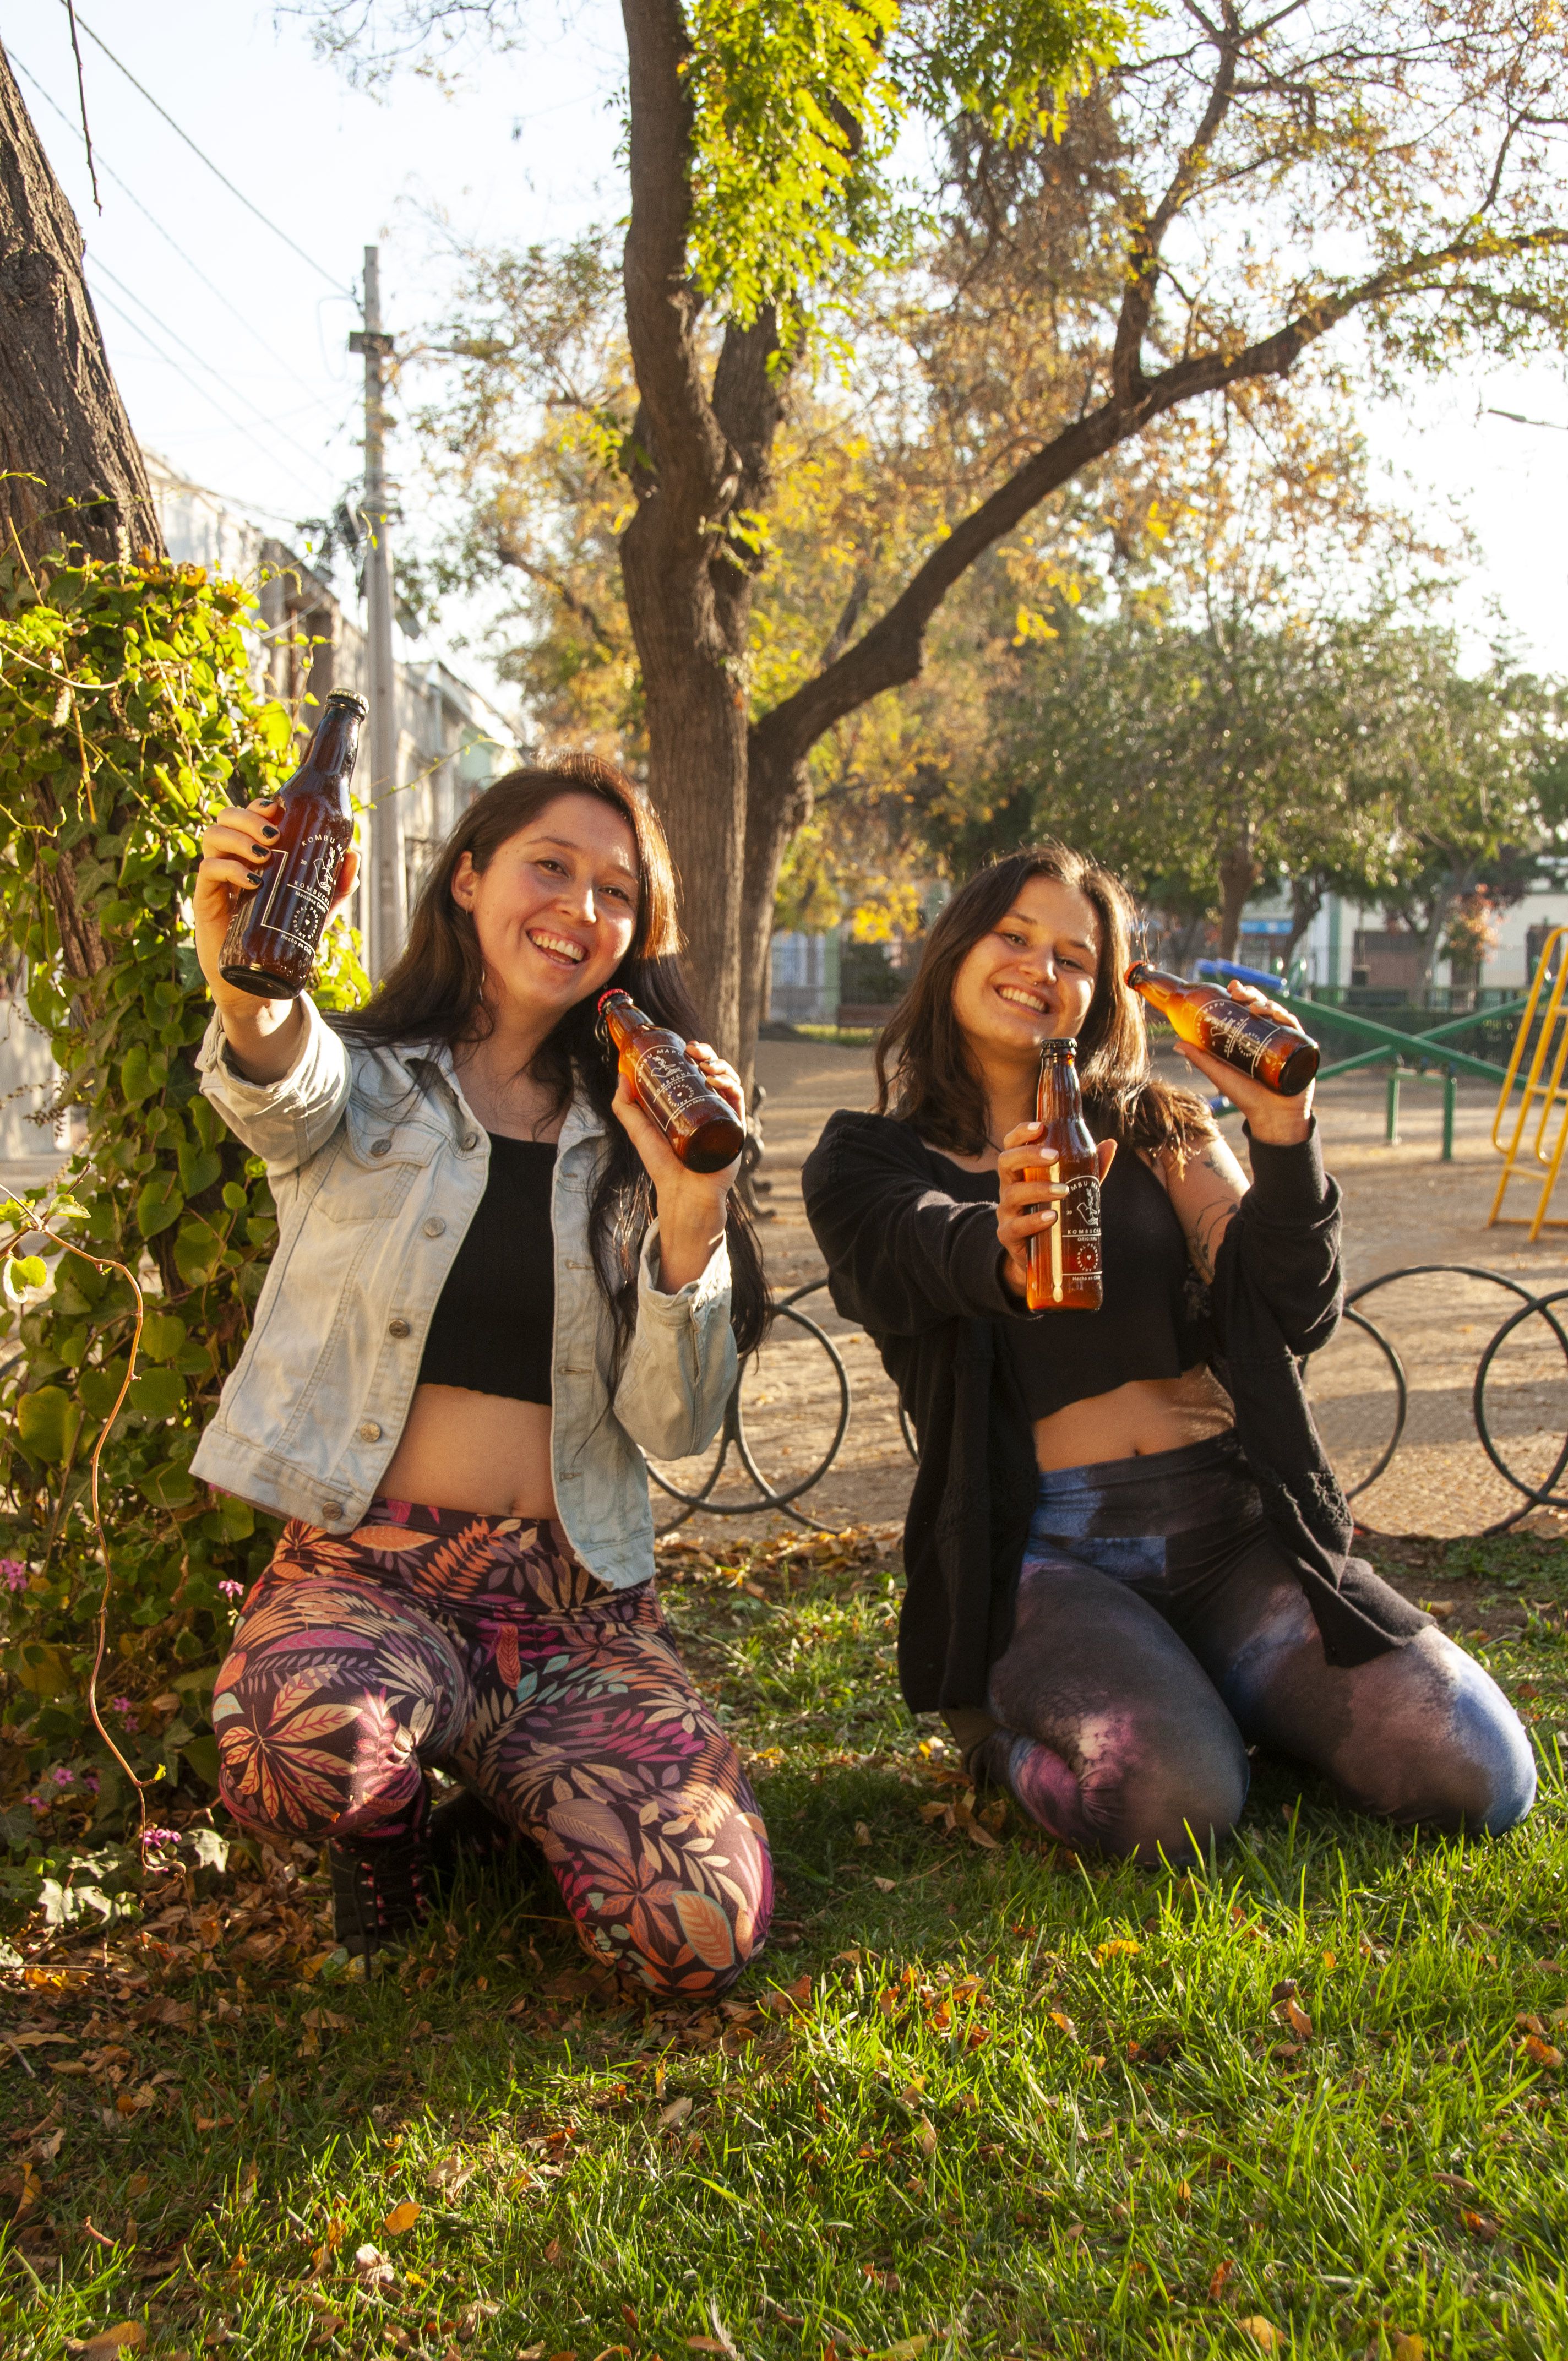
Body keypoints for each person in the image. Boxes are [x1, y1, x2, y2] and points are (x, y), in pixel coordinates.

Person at [802, 846, 1535, 1863]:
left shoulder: (1157, 1126)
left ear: (1101, 995)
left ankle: (1214, 1684)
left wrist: (1284, 1132)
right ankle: (996, 1741)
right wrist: (1006, 1241)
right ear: (956, 947)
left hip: (1230, 1531)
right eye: (1014, 935)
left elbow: (1291, 1305)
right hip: (1046, 1552)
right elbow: (914, 1247)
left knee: (1480, 1773)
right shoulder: (866, 1159)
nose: (1041, 967)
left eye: (1076, 954)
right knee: (1176, 1805)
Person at [190, 754, 773, 1992]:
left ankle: (506, 1803)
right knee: (294, 1753)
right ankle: (382, 1821)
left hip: (574, 1612)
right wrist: (239, 974)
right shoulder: (366, 1079)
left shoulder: (643, 1126)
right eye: (549, 866)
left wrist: (689, 1212)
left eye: (617, 891)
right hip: (369, 1577)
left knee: (695, 1934)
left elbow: (673, 1423)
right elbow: (277, 1074)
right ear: (467, 878)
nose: (580, 905)